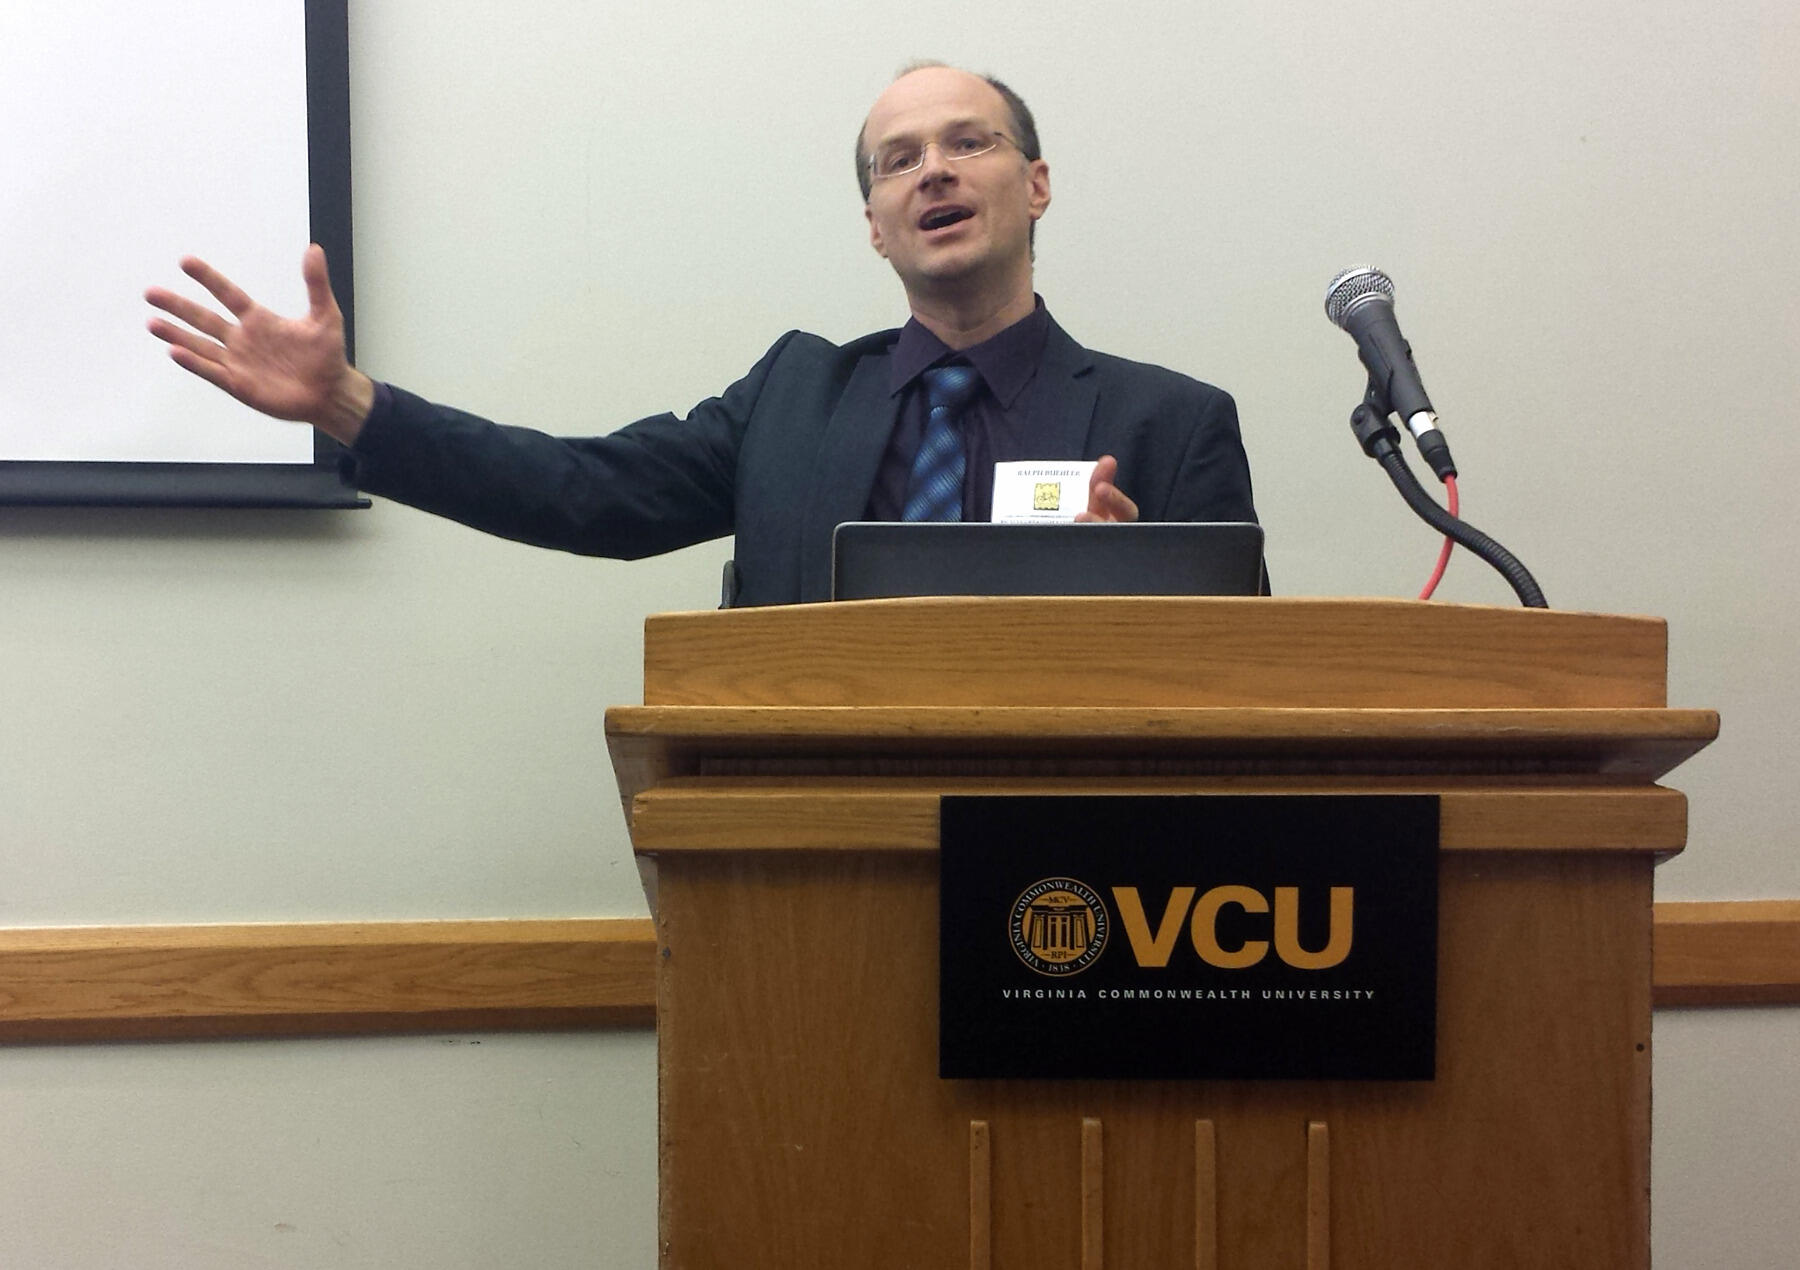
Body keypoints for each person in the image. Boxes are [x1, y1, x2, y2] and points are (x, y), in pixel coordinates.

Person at [145, 64, 1258, 605]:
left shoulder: (1172, 422)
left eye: (969, 142)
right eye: (898, 160)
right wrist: (350, 405)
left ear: (1038, 183)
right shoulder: (792, 399)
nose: (934, 171)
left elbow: (1243, 696)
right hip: (809, 874)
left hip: (1080, 890)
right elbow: (580, 490)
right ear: (874, 225)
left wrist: (1142, 582)